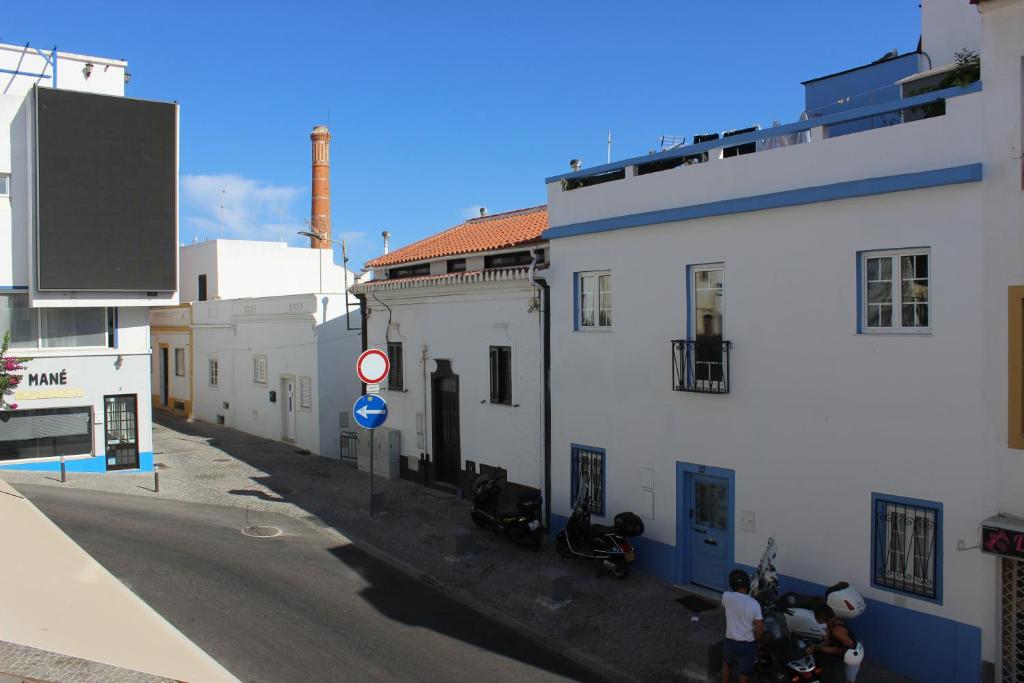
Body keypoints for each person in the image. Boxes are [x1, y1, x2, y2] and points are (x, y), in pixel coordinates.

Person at [722, 568, 764, 683]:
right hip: (747, 645)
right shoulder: (755, 604)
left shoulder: (726, 597)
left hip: (730, 641)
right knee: (744, 674)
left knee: (726, 664)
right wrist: (758, 642)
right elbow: (759, 631)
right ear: (747, 584)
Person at [806, 604, 859, 683]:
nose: (815, 618)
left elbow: (851, 647)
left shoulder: (837, 631)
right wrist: (815, 647)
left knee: (848, 680)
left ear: (821, 617)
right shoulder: (830, 623)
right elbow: (827, 641)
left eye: (816, 616)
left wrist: (827, 649)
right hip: (841, 652)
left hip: (852, 656)